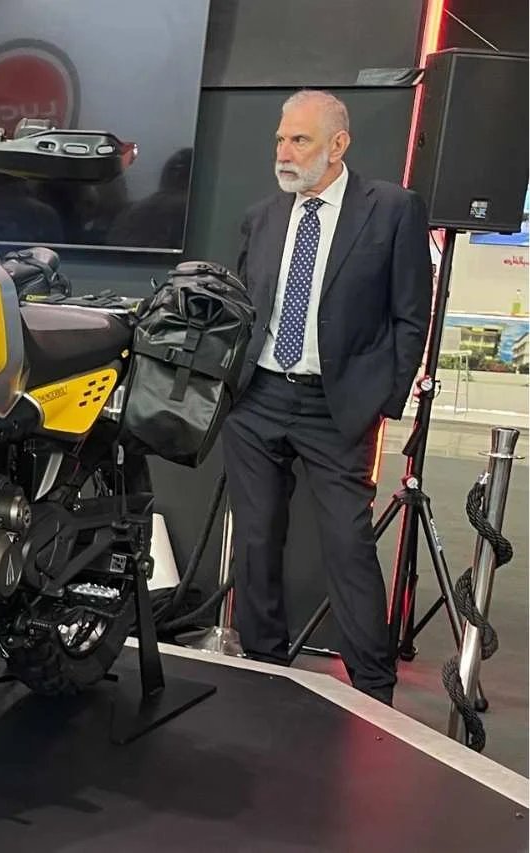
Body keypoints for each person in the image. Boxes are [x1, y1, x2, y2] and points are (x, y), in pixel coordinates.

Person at [226, 89, 431, 705]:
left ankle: (374, 689)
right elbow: (243, 308)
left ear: (338, 145)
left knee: (348, 544)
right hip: (258, 399)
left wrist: (383, 401)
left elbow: (411, 314)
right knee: (256, 539)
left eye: (300, 140)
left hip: (337, 408)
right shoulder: (263, 216)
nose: (284, 152)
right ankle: (264, 666)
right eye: (280, 140)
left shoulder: (391, 209)